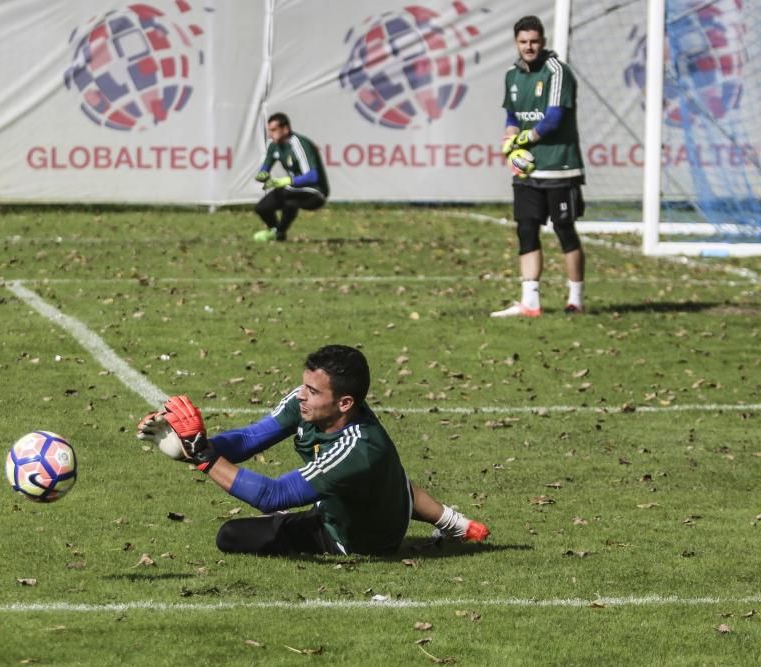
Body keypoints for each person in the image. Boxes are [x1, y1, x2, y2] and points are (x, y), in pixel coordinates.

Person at [137, 345, 489, 557]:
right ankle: (454, 523)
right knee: (374, 483)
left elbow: (274, 495)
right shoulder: (308, 403)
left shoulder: (358, 448)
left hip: (358, 540)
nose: (301, 396)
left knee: (230, 536)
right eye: (304, 385)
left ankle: (451, 523)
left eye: (313, 391)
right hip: (373, 497)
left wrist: (203, 455)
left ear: (345, 402)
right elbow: (248, 439)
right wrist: (191, 445)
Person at [493, 15, 586, 318]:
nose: (529, 47)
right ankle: (530, 301)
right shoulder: (511, 75)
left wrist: (522, 138)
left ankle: (575, 299)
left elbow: (554, 117)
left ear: (543, 42)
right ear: (516, 43)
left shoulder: (558, 72)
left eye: (534, 41)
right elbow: (512, 115)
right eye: (523, 42)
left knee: (564, 230)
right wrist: (509, 135)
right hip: (527, 169)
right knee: (527, 230)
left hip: (560, 166)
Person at [252, 112, 330, 243]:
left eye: (274, 130)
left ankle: (278, 232)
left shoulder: (299, 144)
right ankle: (277, 233)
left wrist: (287, 180)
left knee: (289, 199)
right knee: (262, 208)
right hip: (294, 189)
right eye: (269, 131)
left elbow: (313, 176)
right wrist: (262, 175)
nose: (270, 134)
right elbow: (266, 167)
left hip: (316, 191)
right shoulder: (274, 146)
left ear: (285, 129)